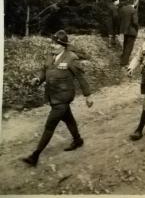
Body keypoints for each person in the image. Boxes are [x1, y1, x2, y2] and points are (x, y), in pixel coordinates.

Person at [22, 30, 94, 166]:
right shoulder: (51, 56)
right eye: (52, 43)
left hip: (63, 97)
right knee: (68, 118)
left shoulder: (71, 58)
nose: (52, 46)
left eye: (54, 44)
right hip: (52, 95)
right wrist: (38, 79)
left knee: (49, 126)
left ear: (62, 45)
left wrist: (88, 95)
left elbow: (81, 77)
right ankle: (78, 140)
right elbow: (45, 70)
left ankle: (35, 156)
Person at [118, 0, 139, 66]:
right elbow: (135, 22)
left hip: (125, 30)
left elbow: (120, 19)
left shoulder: (123, 8)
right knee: (129, 47)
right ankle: (124, 62)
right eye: (137, 1)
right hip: (132, 31)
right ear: (134, 1)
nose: (137, 3)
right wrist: (137, 27)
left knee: (125, 44)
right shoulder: (133, 10)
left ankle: (123, 58)